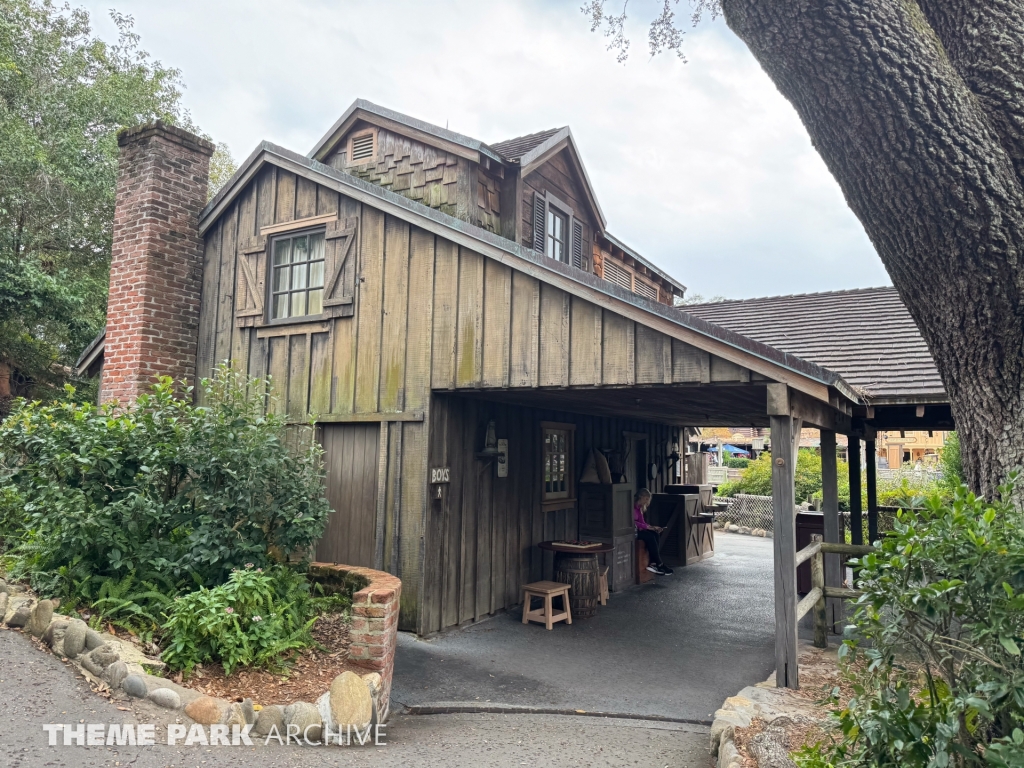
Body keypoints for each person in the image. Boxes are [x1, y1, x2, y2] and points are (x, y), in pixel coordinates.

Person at [633, 488, 673, 575]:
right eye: (646, 499)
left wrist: (653, 527)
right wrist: (647, 527)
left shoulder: (639, 508)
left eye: (648, 500)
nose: (647, 502)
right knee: (649, 536)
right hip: (632, 531)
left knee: (655, 534)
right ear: (641, 496)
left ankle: (653, 563)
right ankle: (659, 563)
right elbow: (632, 522)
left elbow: (642, 522)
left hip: (639, 529)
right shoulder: (631, 506)